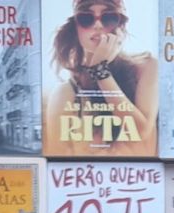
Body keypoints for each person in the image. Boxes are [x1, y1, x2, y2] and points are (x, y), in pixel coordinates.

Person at [45, 1, 158, 156]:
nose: (97, 25)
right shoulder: (65, 93)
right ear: (76, 28)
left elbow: (140, 132)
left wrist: (100, 71)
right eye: (86, 18)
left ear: (121, 26)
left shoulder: (145, 66)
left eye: (108, 18)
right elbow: (56, 157)